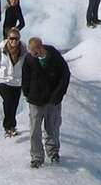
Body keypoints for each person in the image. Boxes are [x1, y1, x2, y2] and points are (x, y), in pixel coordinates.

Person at [21, 37, 70, 168]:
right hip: (35, 100)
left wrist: (58, 95)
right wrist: (26, 92)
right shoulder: (29, 59)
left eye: (34, 51)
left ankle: (53, 153)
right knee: (34, 130)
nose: (32, 54)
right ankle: (36, 157)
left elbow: (65, 74)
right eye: (30, 51)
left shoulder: (53, 55)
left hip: (52, 100)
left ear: (40, 48)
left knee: (52, 128)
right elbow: (25, 77)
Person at [0, 26, 25, 136]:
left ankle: (12, 125)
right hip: (2, 79)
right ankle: (8, 126)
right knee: (8, 101)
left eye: (16, 39)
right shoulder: (1, 48)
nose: (13, 41)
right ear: (8, 38)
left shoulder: (23, 49)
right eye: (11, 38)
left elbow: (27, 65)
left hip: (17, 81)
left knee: (14, 103)